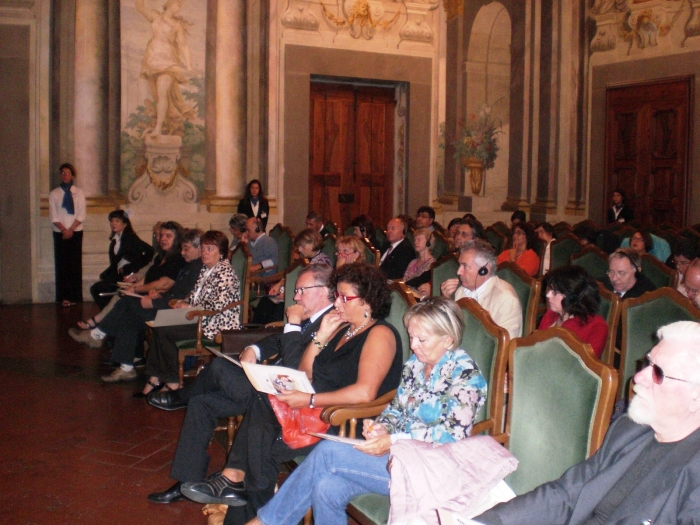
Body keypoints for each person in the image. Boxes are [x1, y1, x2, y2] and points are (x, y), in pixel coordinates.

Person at [179, 263, 404, 524]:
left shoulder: (380, 334)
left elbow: (365, 393)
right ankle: (237, 490)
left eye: (345, 298)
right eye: (337, 296)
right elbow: (305, 373)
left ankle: (235, 483)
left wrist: (309, 399)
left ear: (367, 301)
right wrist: (320, 338)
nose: (337, 303)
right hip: (312, 411)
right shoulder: (342, 328)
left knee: (261, 447)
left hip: (343, 421)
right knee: (262, 428)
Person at [247, 298, 488, 525]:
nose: (413, 346)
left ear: (447, 340)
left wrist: (393, 439)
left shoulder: (465, 375)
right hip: (398, 457)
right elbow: (397, 408)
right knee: (327, 488)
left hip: (433, 470)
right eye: (412, 337)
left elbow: (452, 435)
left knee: (328, 452)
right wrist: (382, 427)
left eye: (421, 340)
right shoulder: (416, 364)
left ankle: (267, 522)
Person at [471, 320, 700, 525]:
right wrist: (486, 523)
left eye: (658, 373)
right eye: (647, 363)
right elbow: (566, 495)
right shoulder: (629, 429)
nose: (638, 377)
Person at [146, 264, 335, 504]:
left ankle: (180, 396)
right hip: (267, 393)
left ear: (323, 291)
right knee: (202, 403)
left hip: (283, 405)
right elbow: (278, 339)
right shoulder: (310, 319)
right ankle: (185, 482)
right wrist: (254, 348)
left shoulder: (331, 324)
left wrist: (294, 322)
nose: (296, 297)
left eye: (301, 291)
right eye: (295, 291)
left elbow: (295, 367)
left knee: (219, 367)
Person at [70, 229, 204, 382]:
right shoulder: (191, 265)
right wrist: (158, 296)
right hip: (170, 307)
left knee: (128, 303)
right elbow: (177, 294)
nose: (183, 252)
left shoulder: (197, 268)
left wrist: (153, 302)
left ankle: (98, 335)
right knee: (129, 315)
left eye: (186, 248)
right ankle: (125, 366)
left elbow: (185, 300)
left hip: (177, 315)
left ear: (199, 248)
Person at [140, 230, 240, 394]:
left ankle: (172, 382)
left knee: (166, 332)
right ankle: (154, 377)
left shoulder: (224, 273)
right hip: (199, 318)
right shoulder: (206, 269)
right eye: (203, 248)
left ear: (221, 252)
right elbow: (194, 296)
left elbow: (217, 306)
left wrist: (188, 307)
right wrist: (182, 303)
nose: (204, 252)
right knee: (160, 324)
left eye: (210, 249)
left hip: (214, 324)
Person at [68, 220, 187, 354]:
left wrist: (135, 289)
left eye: (168, 236)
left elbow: (164, 284)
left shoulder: (177, 258)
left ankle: (99, 335)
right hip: (151, 297)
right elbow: (146, 277)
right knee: (123, 297)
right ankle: (121, 355)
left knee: (126, 304)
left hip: (161, 303)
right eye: (161, 235)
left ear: (177, 239)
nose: (163, 239)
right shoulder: (161, 256)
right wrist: (132, 288)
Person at [136, 0, 195, 137]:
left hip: (168, 62)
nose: (178, 8)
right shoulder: (155, 16)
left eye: (180, 6)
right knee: (157, 96)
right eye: (177, 4)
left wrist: (188, 65)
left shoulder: (176, 25)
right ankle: (168, 123)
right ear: (169, 3)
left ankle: (157, 129)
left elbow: (183, 45)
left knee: (162, 93)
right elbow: (140, 6)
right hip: (151, 61)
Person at [441, 239, 522, 338]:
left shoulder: (506, 300)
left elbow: (506, 344)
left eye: (465, 266)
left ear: (484, 270)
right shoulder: (461, 291)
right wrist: (446, 300)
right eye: (460, 265)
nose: (458, 272)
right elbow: (450, 329)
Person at [254, 229, 331, 325]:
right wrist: (280, 284)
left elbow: (313, 289)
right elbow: (291, 274)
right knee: (265, 302)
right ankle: (257, 330)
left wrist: (288, 294)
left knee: (277, 309)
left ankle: (273, 329)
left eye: (302, 246)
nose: (299, 250)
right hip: (295, 292)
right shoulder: (305, 259)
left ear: (312, 244)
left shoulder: (322, 262)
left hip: (308, 299)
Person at [89, 210, 154, 310]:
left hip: (127, 276)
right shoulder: (115, 240)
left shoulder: (130, 237)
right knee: (96, 289)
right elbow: (115, 263)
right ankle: (108, 313)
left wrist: (131, 268)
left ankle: (108, 313)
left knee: (97, 289)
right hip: (118, 275)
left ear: (125, 224)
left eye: (117, 221)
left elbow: (149, 251)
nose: (113, 223)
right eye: (112, 221)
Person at [539, 266, 609, 358]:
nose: (548, 295)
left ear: (573, 297)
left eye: (555, 292)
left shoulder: (596, 326)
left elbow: (587, 364)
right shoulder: (550, 315)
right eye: (549, 290)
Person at [50, 162, 86, 307]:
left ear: (72, 175)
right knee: (62, 265)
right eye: (63, 173)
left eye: (68, 173)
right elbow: (53, 216)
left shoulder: (79, 192)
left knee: (74, 264)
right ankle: (63, 297)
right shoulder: (54, 193)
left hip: (75, 232)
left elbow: (81, 214)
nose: (65, 175)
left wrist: (71, 229)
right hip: (60, 233)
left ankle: (75, 296)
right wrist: (64, 230)